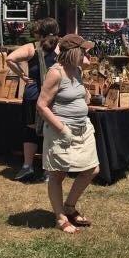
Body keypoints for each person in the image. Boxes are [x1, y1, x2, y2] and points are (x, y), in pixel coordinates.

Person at [37, 34, 99, 234]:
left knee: (92, 169)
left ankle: (69, 206)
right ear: (74, 52)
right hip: (61, 131)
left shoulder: (77, 70)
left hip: (82, 128)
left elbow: (75, 95)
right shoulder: (55, 73)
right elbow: (41, 105)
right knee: (58, 174)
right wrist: (62, 130)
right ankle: (60, 217)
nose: (87, 54)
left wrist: (85, 96)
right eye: (84, 51)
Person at [5, 17, 60, 182]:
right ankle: (48, 170)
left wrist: (22, 75)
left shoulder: (31, 47)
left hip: (33, 93)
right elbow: (84, 61)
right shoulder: (60, 47)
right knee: (50, 131)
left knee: (30, 130)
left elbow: (9, 58)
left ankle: (27, 167)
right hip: (53, 94)